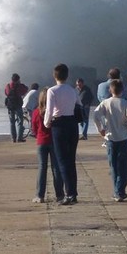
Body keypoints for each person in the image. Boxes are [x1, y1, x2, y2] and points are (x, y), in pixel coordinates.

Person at [92, 79, 127, 201]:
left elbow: (95, 115)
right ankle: (119, 191)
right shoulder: (126, 104)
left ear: (110, 90)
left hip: (110, 138)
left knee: (114, 167)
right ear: (122, 90)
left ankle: (117, 191)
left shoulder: (105, 103)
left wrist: (100, 129)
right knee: (123, 166)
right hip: (123, 138)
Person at [44, 63, 82, 206]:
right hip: (72, 124)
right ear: (67, 76)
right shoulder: (73, 90)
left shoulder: (52, 91)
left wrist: (46, 123)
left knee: (62, 160)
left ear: (55, 76)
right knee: (71, 160)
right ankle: (73, 192)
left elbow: (49, 110)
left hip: (59, 125)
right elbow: (78, 105)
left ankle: (69, 194)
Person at [31, 87, 64, 203]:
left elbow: (34, 129)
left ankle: (40, 195)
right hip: (54, 142)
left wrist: (38, 135)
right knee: (56, 169)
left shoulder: (36, 112)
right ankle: (60, 195)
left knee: (42, 168)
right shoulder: (55, 112)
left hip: (41, 142)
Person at [4, 73, 29, 143]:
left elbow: (6, 93)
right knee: (20, 122)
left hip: (10, 106)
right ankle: (19, 138)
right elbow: (25, 90)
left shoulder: (8, 86)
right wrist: (21, 84)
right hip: (18, 105)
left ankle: (13, 138)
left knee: (12, 123)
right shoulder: (19, 86)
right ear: (18, 80)